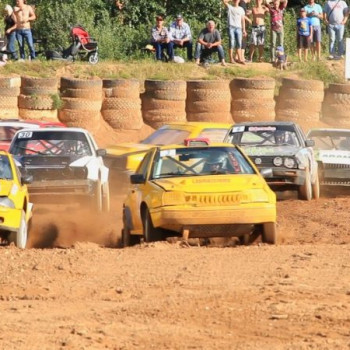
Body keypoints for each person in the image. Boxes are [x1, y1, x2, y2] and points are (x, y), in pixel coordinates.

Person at [223, 0, 247, 64]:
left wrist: (244, 30)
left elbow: (243, 20)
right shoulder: (230, 7)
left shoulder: (241, 9)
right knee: (232, 42)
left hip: (239, 28)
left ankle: (240, 59)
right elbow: (224, 1)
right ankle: (231, 59)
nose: (236, 1)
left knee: (239, 43)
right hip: (231, 27)